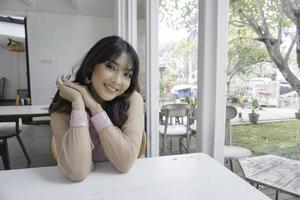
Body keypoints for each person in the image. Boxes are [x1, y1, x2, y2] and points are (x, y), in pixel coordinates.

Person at [49, 36, 144, 181]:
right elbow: (77, 171)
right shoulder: (65, 101)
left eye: (126, 74)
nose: (117, 81)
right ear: (92, 65)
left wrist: (94, 106)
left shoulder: (132, 100)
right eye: (111, 67)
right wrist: (78, 104)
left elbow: (125, 163)